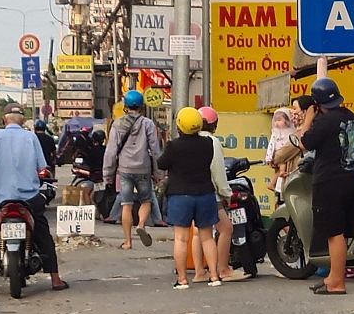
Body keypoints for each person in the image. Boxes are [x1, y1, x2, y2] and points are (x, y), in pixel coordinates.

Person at [0, 102, 67, 294]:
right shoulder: (30, 137)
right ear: (23, 120)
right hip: (30, 199)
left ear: (4, 119)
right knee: (43, 235)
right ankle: (55, 279)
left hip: (2, 199)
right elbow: (41, 166)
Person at [298, 77, 354, 295]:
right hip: (353, 179)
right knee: (341, 233)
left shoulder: (324, 122)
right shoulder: (350, 117)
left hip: (331, 182)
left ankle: (337, 281)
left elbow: (304, 143)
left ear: (317, 103)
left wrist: (308, 118)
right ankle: (333, 276)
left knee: (333, 233)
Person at [157, 107, 231, 288]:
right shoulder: (207, 144)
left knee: (181, 238)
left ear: (180, 125)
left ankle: (182, 279)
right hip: (205, 193)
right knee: (207, 236)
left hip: (180, 195)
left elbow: (161, 163)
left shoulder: (173, 146)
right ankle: (214, 276)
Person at [190, 106, 248, 284]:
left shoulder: (188, 140)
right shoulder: (212, 142)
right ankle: (223, 269)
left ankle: (199, 272)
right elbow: (218, 172)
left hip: (189, 192)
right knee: (226, 229)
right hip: (209, 194)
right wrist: (226, 193)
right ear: (214, 124)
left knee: (198, 233)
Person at [102, 89, 162, 249]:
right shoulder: (148, 124)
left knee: (126, 204)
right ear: (142, 107)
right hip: (143, 169)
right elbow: (155, 150)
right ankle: (141, 224)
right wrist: (159, 173)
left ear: (125, 107)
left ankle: (128, 242)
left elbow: (110, 152)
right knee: (146, 201)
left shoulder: (118, 123)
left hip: (125, 170)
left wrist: (107, 175)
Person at [263, 107, 296, 202]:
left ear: (286, 121)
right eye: (276, 120)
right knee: (281, 167)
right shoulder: (275, 133)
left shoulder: (291, 132)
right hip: (279, 155)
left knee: (282, 170)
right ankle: (275, 180)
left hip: (287, 156)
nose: (277, 123)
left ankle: (272, 183)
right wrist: (269, 158)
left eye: (280, 120)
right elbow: (271, 145)